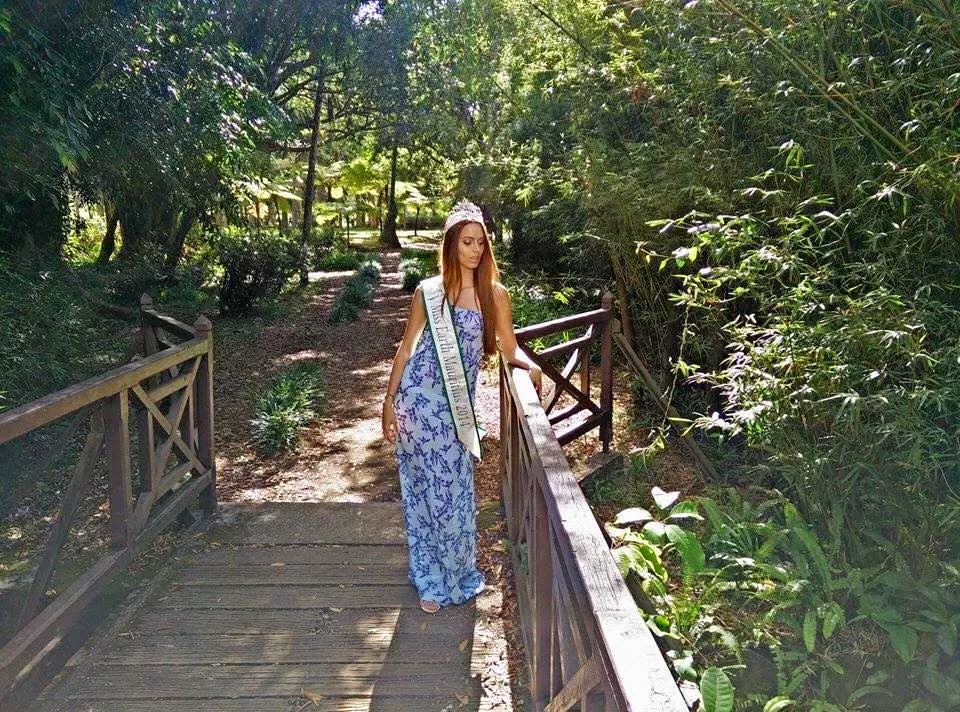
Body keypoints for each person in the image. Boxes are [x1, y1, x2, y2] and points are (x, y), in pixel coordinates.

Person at [381, 199, 543, 614]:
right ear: (452, 245)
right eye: (467, 242)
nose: (475, 250)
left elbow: (509, 348)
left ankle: (457, 572)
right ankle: (430, 577)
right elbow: (407, 347)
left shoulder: (495, 295)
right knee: (423, 494)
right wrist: (388, 400)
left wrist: (530, 365)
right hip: (417, 405)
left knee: (454, 493)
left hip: (455, 413)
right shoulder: (429, 292)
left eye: (480, 242)